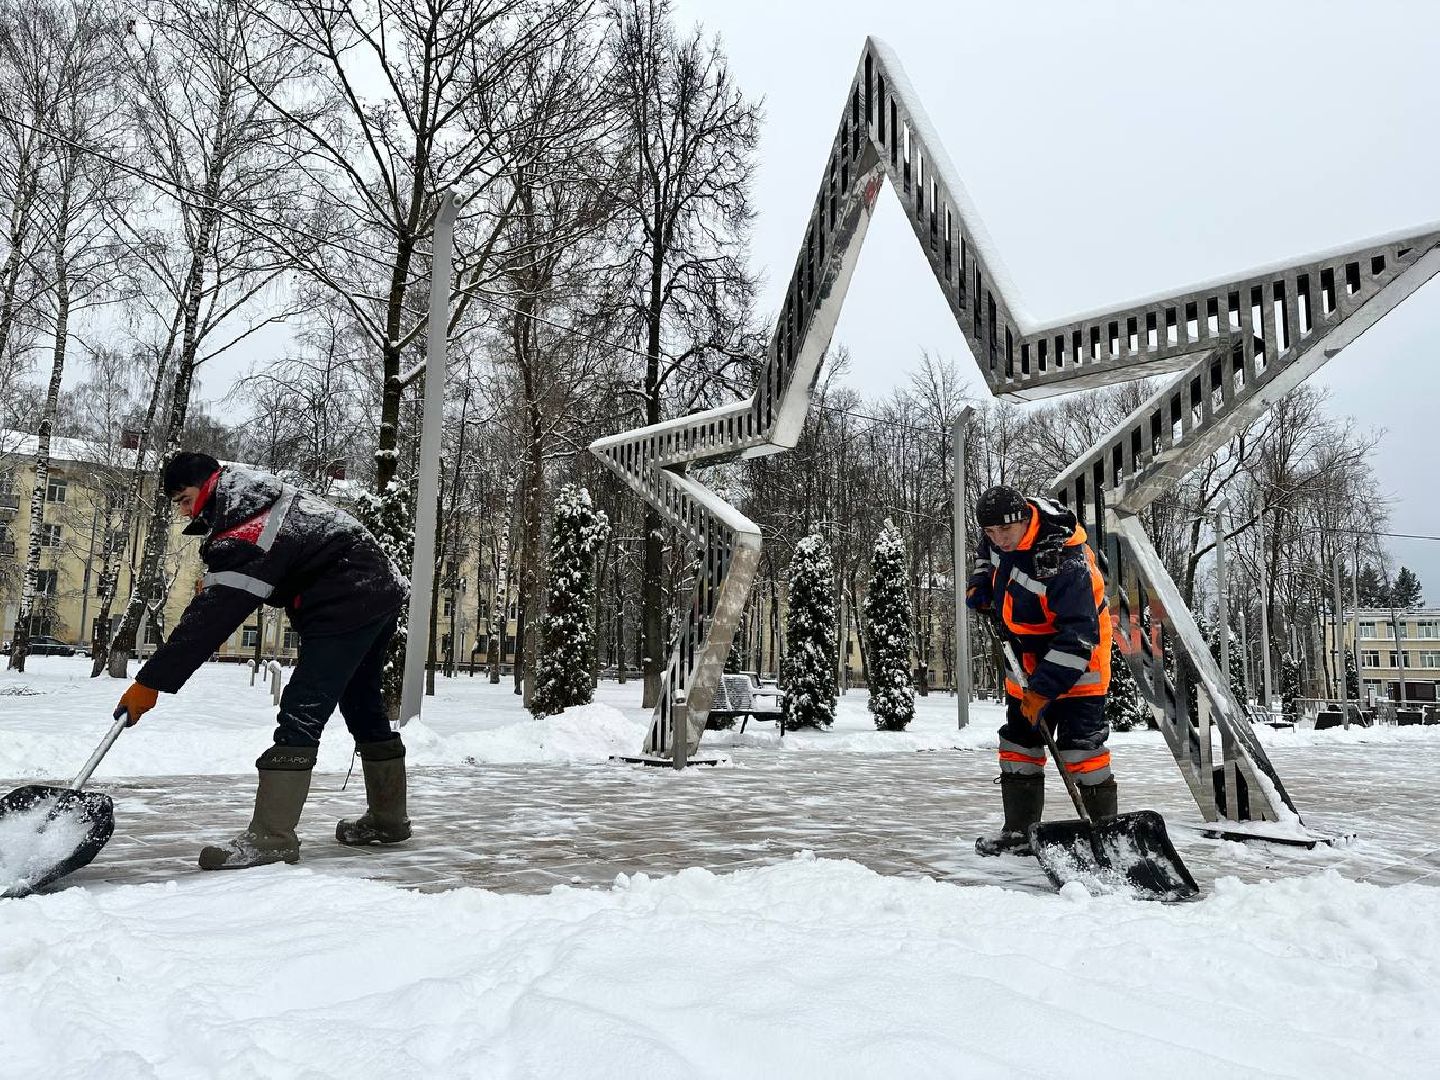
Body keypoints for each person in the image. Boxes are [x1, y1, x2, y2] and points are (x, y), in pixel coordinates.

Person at [114, 452, 411, 870]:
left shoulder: (243, 519)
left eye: (183, 498)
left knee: (303, 708)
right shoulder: (250, 499)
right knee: (361, 702)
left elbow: (213, 618)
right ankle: (388, 820)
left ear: (207, 482)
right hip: (376, 587)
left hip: (347, 595)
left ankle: (271, 839)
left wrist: (152, 681)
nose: (181, 510)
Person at [966, 485, 1115, 856]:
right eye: (990, 532)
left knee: (1082, 752)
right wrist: (981, 584)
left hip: (1079, 658)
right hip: (1025, 654)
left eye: (1005, 531)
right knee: (1018, 744)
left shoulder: (1066, 561)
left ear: (1025, 520)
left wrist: (1043, 691)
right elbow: (986, 556)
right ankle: (1018, 832)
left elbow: (1079, 636)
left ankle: (1107, 837)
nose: (998, 540)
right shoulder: (999, 538)